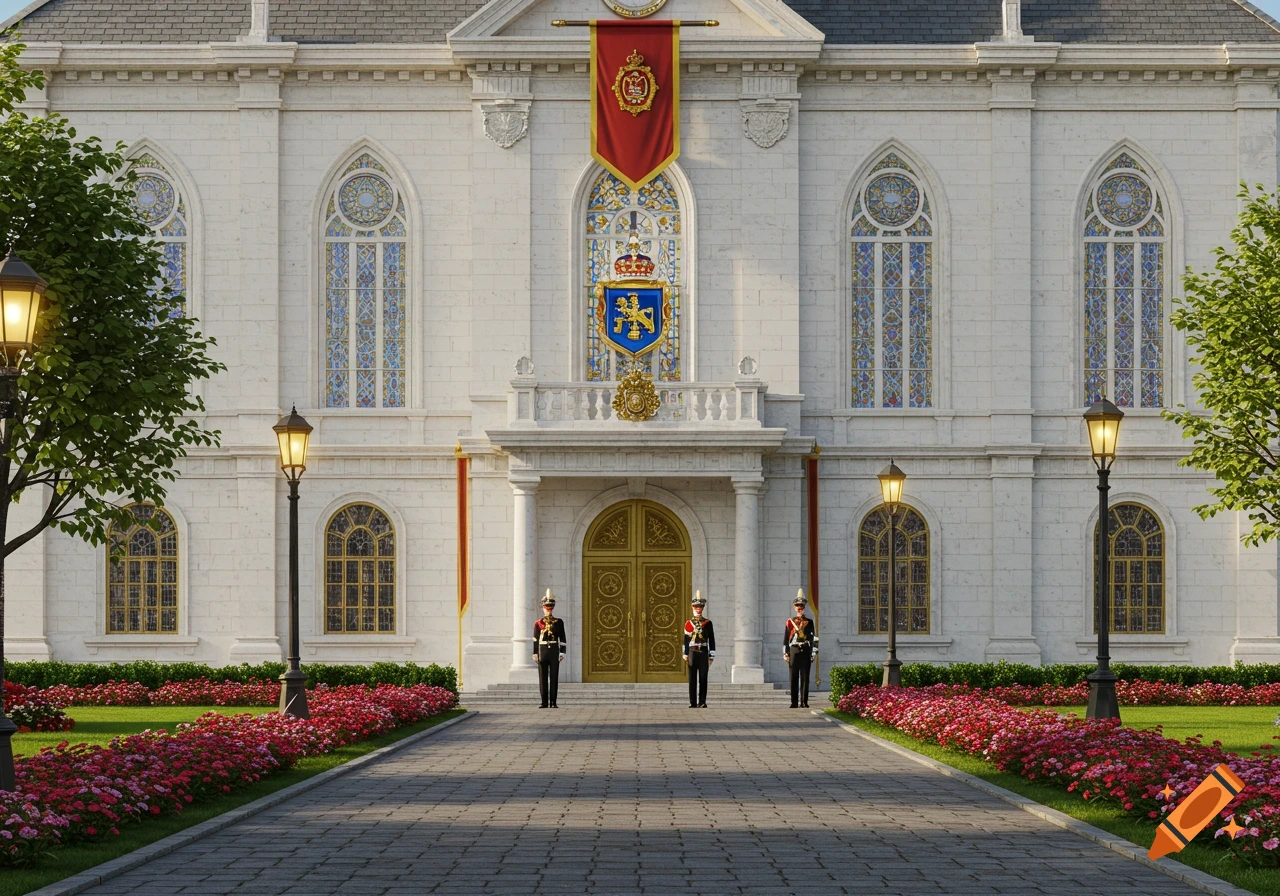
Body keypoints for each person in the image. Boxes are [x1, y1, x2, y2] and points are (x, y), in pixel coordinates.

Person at [784, 588, 818, 708]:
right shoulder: (790, 622)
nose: (799, 608)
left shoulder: (809, 622)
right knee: (793, 677)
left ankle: (804, 701)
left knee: (805, 677)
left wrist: (814, 653)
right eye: (797, 606)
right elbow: (785, 639)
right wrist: (785, 653)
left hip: (805, 650)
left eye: (801, 606)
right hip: (793, 650)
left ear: (804, 607)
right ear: (794, 607)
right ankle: (794, 702)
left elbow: (814, 638)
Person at [533, 589, 566, 708]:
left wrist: (562, 653)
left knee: (554, 677)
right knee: (542, 678)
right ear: (543, 607)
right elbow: (535, 639)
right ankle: (544, 702)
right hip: (542, 650)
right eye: (546, 607)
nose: (548, 609)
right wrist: (535, 653)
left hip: (553, 650)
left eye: (550, 607)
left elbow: (562, 639)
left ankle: (553, 701)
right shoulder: (538, 623)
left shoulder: (558, 622)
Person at [682, 590, 715, 708]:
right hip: (692, 652)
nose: (698, 609)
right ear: (692, 607)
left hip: (703, 651)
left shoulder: (707, 623)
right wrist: (685, 653)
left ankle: (702, 701)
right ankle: (692, 702)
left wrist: (711, 655)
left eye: (700, 607)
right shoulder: (688, 623)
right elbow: (686, 639)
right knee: (692, 679)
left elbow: (711, 639)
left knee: (703, 678)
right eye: (696, 606)